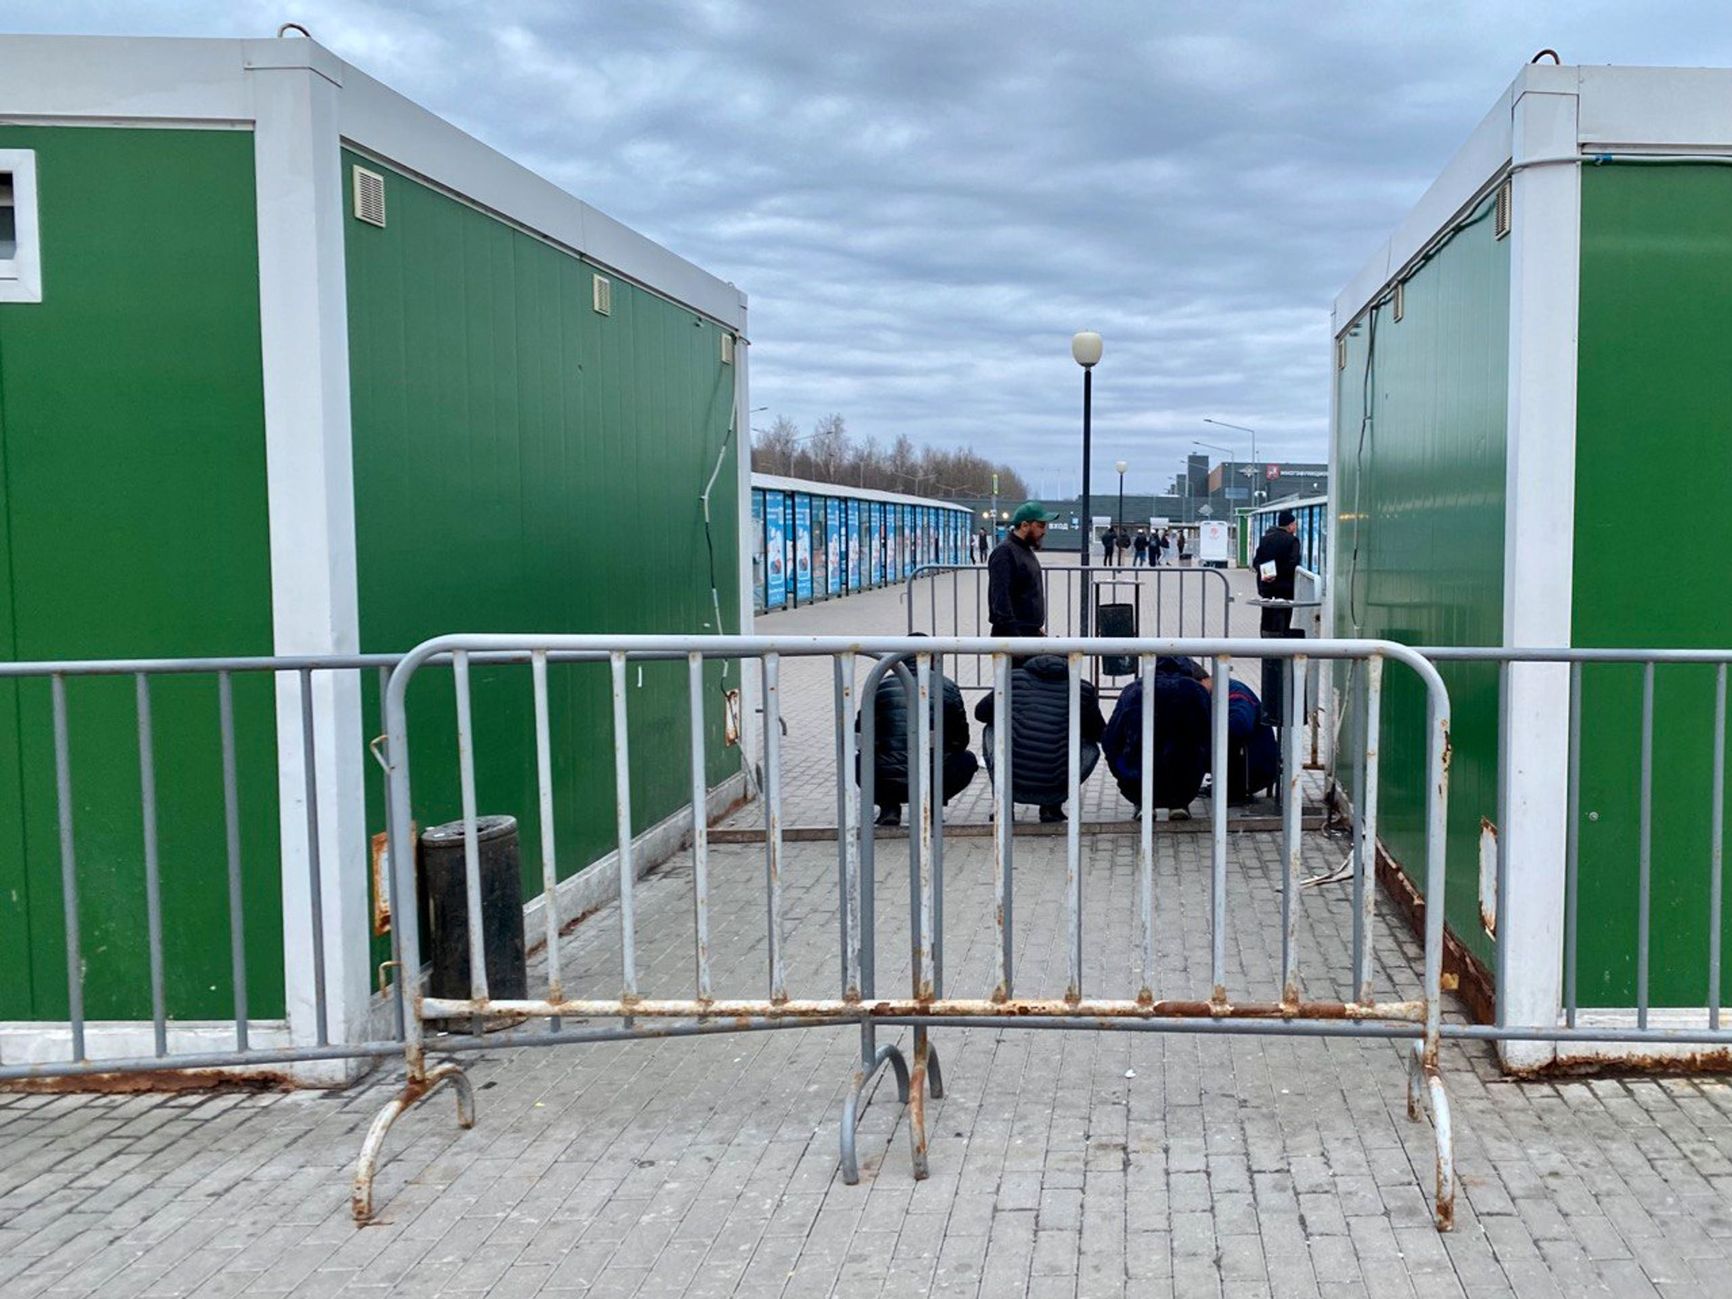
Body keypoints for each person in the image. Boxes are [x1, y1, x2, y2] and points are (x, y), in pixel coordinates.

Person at [974, 654, 1105, 822]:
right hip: (1055, 784)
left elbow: (980, 714)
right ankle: (1052, 807)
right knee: (1090, 748)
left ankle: (1003, 804)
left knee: (991, 728)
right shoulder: (1083, 689)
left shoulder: (1012, 679)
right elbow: (1099, 733)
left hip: (1011, 781)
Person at [858, 650, 978, 827]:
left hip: (886, 779)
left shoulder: (879, 685)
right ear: (931, 659)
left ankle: (889, 807)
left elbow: (860, 732)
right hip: (934, 775)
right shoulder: (945, 685)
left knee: (859, 761)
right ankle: (931, 804)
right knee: (967, 760)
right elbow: (960, 737)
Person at [1102, 657, 1211, 817]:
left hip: (1137, 772)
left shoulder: (1134, 690)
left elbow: (1112, 735)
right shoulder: (1196, 691)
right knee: (1188, 753)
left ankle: (1143, 803)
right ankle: (1179, 803)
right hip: (1185, 773)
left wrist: (1118, 764)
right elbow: (1209, 732)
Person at [988, 502, 1055, 638]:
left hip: (1026, 632)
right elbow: (1000, 598)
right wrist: (1014, 637)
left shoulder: (1023, 549)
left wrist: (1036, 627)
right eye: (1040, 525)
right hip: (1014, 635)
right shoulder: (1005, 552)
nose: (1044, 531)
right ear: (1025, 526)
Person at [1224, 677, 1281, 804]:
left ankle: (1234, 791)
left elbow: (1240, 725)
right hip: (1256, 764)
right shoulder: (1227, 689)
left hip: (1256, 768)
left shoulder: (1233, 692)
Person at [1253, 508, 1303, 636]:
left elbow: (1256, 562)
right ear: (1290, 525)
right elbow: (1292, 564)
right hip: (1285, 587)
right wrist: (1277, 575)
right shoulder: (1292, 541)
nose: (1296, 527)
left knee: (1267, 617)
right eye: (1295, 524)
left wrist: (1267, 574)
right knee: (1284, 618)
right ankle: (1280, 647)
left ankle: (1266, 646)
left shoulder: (1265, 539)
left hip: (1267, 587)